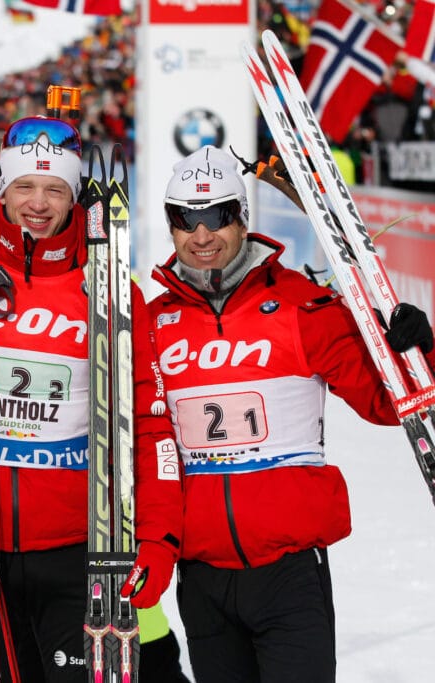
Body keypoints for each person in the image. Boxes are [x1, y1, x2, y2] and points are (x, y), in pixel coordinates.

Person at [0, 115, 189, 682]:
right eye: (24, 186)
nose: (38, 202)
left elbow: (150, 429)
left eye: (55, 188)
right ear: (0, 189)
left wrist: (158, 539)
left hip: (76, 544)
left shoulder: (109, 290)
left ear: (74, 195)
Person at [147, 144, 435, 682]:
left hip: (288, 571)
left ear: (242, 217)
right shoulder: (151, 324)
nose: (202, 235)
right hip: (202, 572)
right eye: (186, 218)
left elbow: (385, 402)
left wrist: (420, 349)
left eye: (217, 216)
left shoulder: (304, 306)